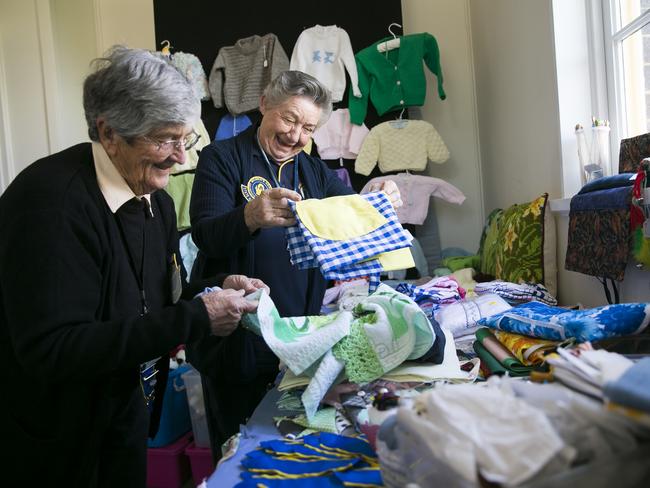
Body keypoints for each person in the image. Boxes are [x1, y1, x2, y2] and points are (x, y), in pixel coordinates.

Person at [0, 46, 266, 487]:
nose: (181, 157)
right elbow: (54, 348)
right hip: (53, 440)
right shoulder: (50, 205)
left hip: (122, 420)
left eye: (187, 139)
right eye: (164, 140)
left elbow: (160, 298)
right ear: (108, 133)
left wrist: (217, 287)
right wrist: (195, 319)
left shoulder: (154, 202)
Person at [189, 70, 401, 452]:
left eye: (308, 127)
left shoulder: (314, 170)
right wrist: (248, 216)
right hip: (239, 336)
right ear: (265, 104)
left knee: (293, 443)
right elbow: (204, 235)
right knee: (240, 446)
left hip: (301, 337)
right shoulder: (220, 158)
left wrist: (379, 195)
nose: (295, 136)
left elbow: (350, 212)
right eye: (289, 119)